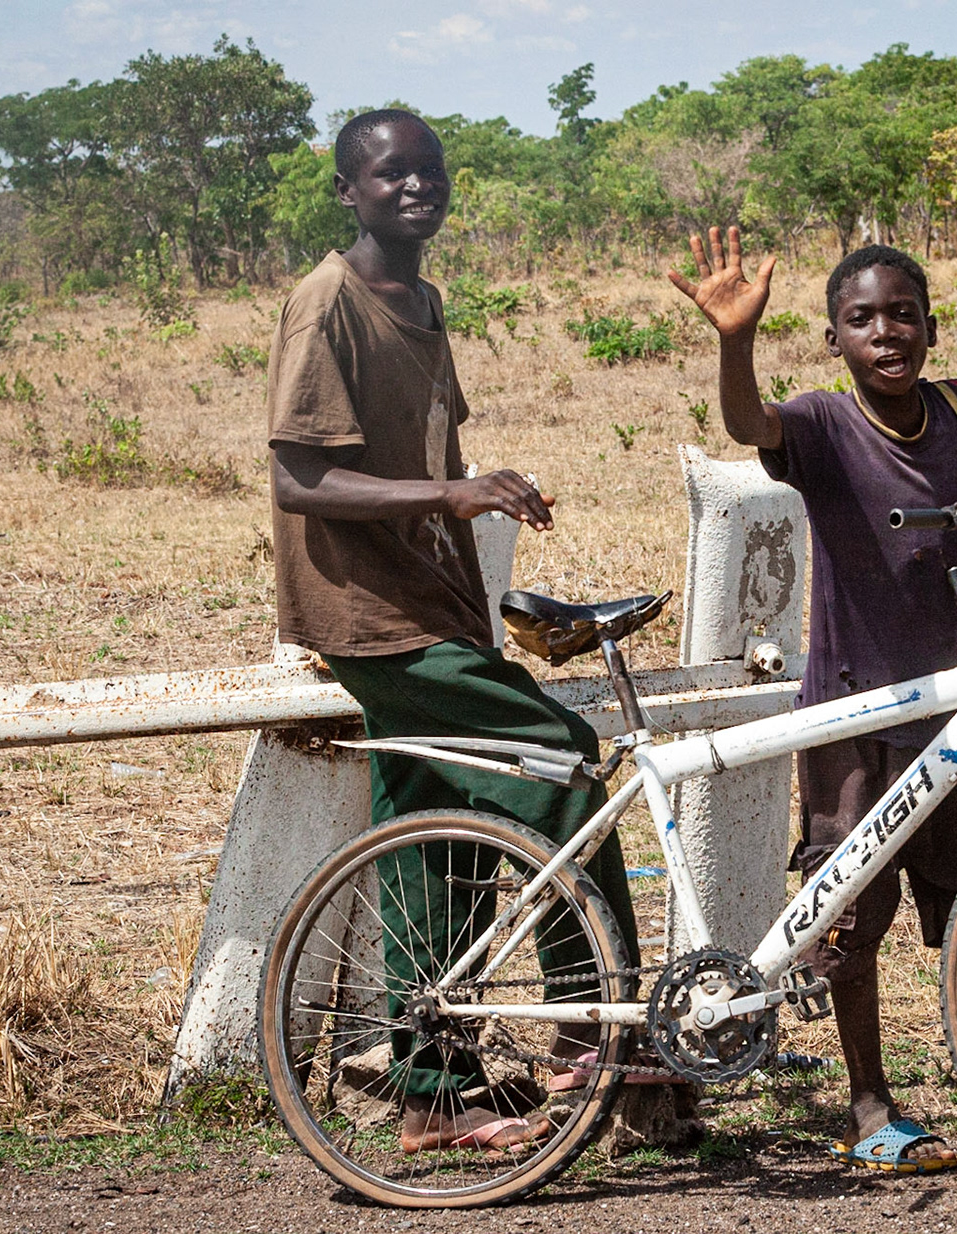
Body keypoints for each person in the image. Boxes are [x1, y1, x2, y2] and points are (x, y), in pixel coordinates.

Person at [669, 227, 957, 1174]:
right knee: (847, 921)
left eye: (903, 313)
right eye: (861, 318)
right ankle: (871, 1108)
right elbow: (751, 424)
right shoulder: (826, 424)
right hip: (854, 708)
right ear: (834, 338)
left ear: (932, 327)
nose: (886, 331)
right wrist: (733, 342)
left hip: (953, 706)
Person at [267, 108, 642, 1153]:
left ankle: (432, 1094)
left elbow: (431, 455)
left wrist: (474, 493)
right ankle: (588, 1025)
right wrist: (454, 490)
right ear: (348, 189)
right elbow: (299, 476)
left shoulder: (421, 299)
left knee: (429, 846)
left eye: (429, 171)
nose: (415, 188)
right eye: (390, 174)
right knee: (563, 761)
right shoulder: (326, 302)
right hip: (371, 615)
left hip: (432, 606)